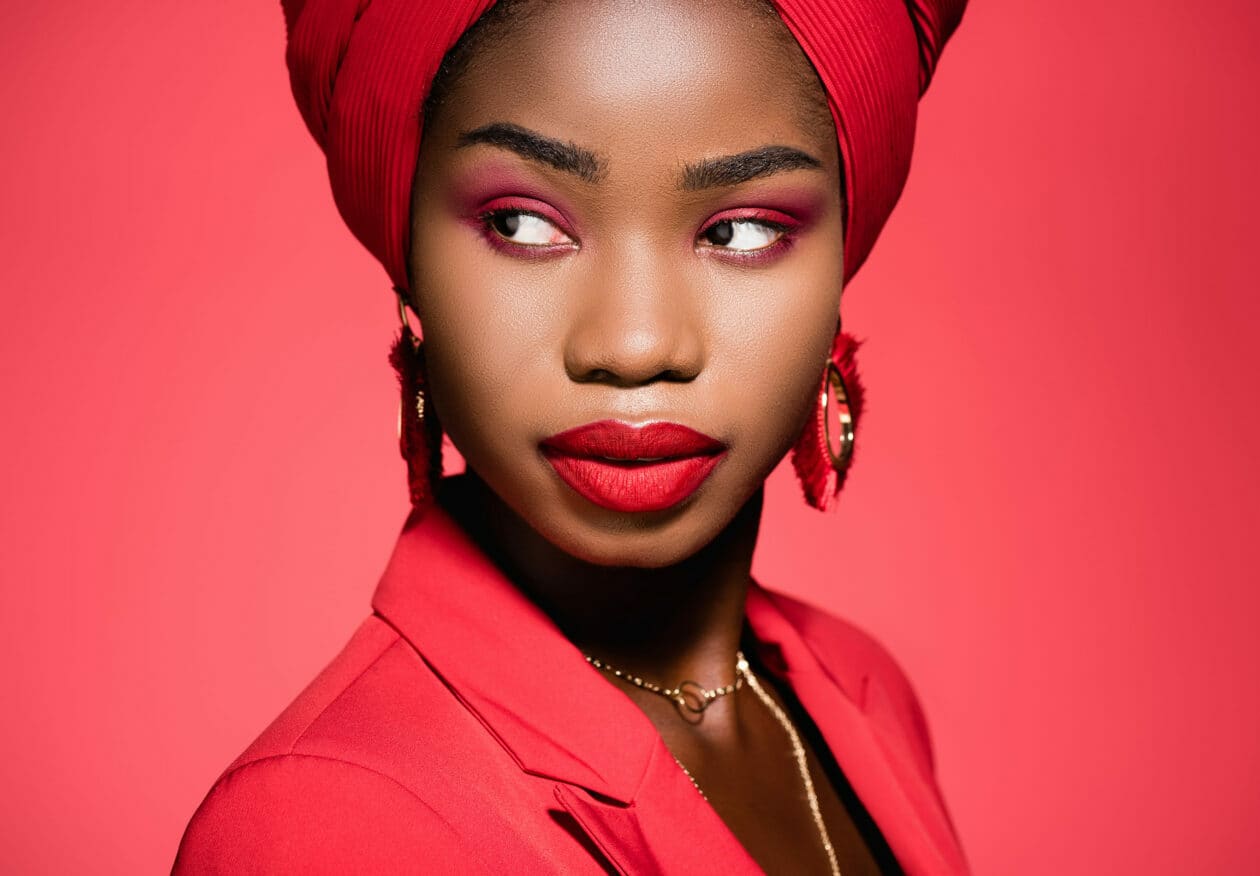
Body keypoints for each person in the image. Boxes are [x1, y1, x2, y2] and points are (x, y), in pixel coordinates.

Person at [174, 0, 968, 873]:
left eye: (741, 232)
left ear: (841, 265)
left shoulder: (864, 695)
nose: (633, 347)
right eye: (522, 223)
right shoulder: (321, 823)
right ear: (409, 267)